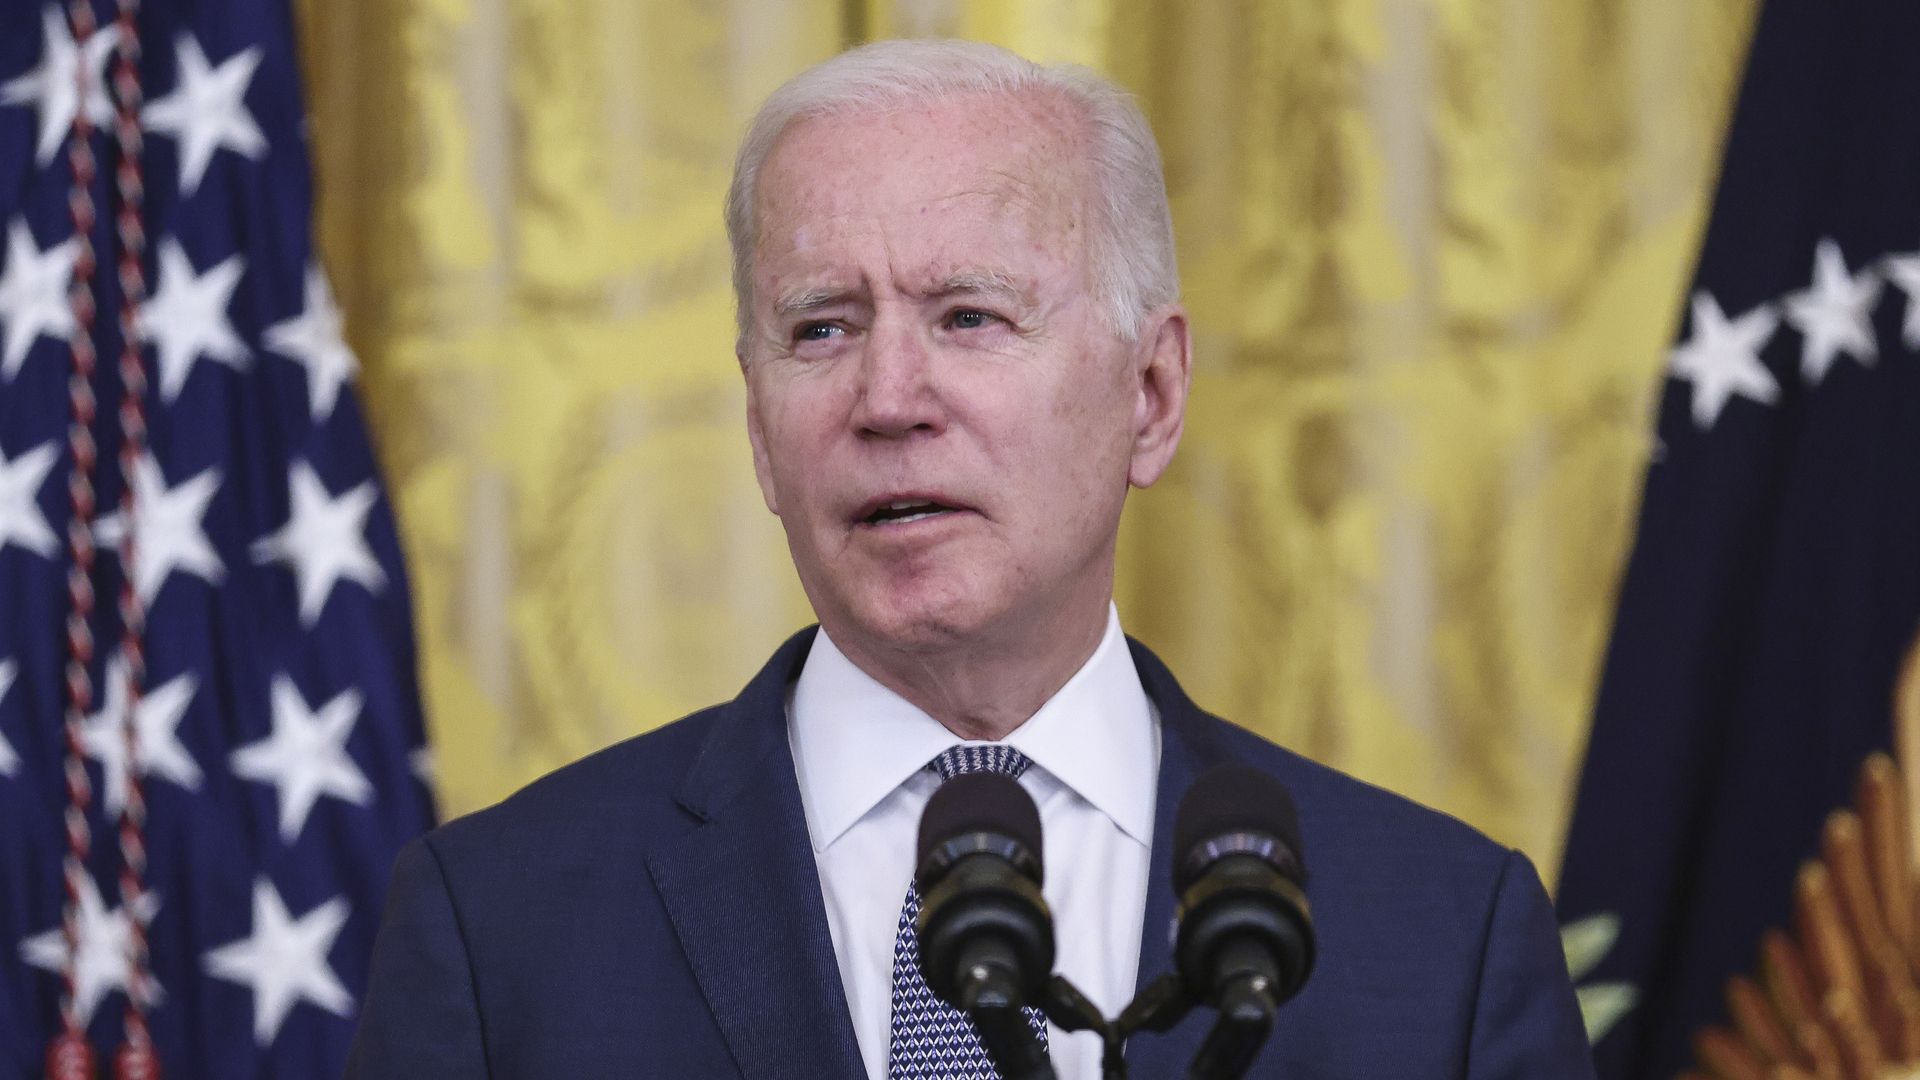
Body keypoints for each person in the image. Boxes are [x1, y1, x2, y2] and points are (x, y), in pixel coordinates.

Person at [346, 39, 1594, 1079]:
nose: (889, 398)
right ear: (759, 429)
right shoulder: (498, 928)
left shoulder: (1442, 944)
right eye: (820, 328)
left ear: (1151, 396)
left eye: (970, 318)